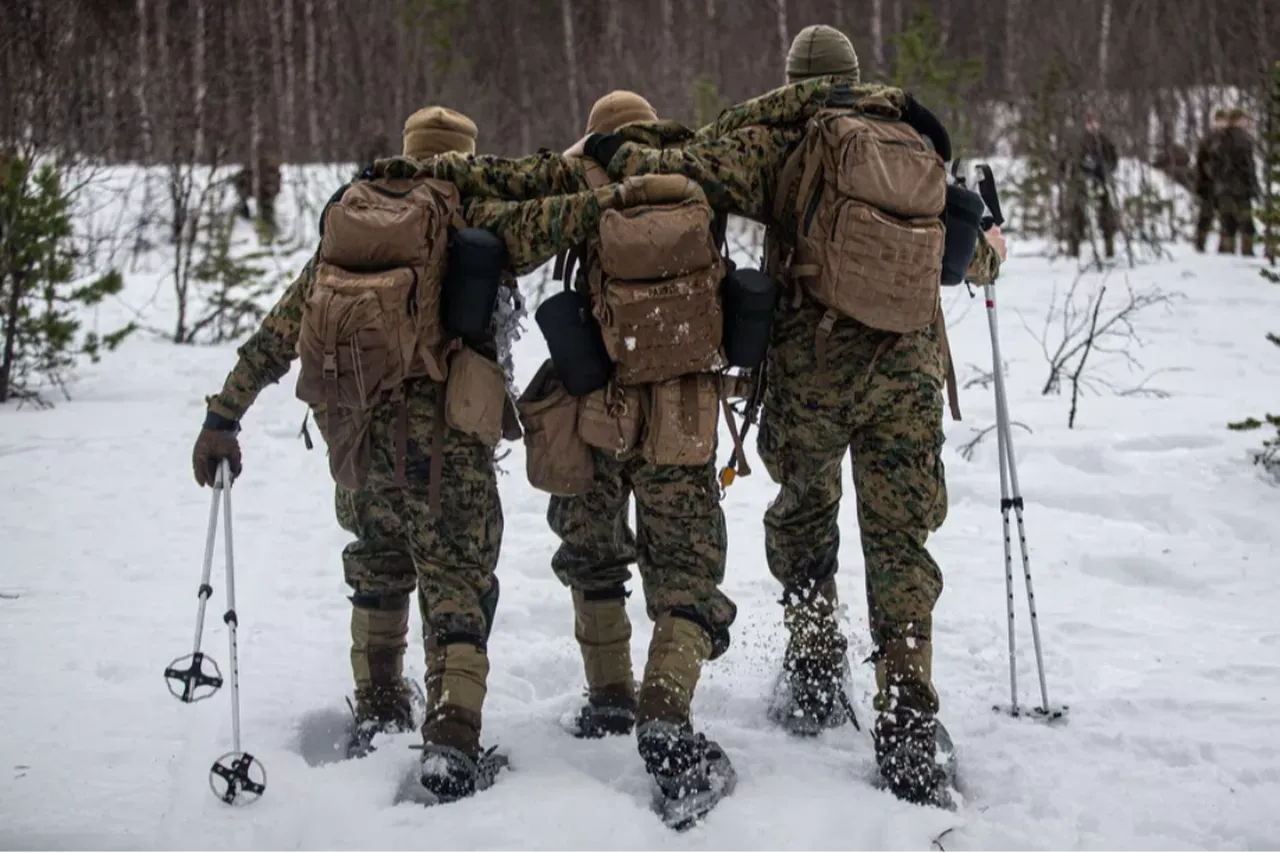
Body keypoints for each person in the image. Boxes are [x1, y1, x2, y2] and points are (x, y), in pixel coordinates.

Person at [553, 24, 1005, 808]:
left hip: (810, 366)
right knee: (901, 538)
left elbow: (682, 171)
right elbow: (971, 257)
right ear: (856, 74)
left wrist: (608, 153)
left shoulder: (780, 140)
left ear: (793, 79)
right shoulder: (913, 137)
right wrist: (992, 244)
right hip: (907, 369)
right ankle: (906, 714)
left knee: (804, 512)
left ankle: (816, 666)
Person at [190, 105, 673, 804]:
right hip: (444, 435)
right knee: (459, 583)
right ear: (465, 158)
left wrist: (223, 414)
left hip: (356, 432)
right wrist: (627, 185)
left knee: (378, 560)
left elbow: (281, 330)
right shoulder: (470, 212)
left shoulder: (349, 223)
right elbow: (560, 220)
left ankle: (381, 705)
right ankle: (451, 736)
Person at [430, 90, 740, 823]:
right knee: (687, 569)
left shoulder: (580, 179)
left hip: (596, 400)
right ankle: (665, 707)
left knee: (592, 546)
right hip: (684, 407)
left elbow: (509, 226)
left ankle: (610, 698)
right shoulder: (699, 176)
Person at [1062, 109, 1119, 259]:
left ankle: (1109, 249)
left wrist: (1105, 169)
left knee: (1107, 215)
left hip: (1100, 182)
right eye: (1090, 122)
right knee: (1076, 216)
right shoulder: (1078, 142)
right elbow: (1066, 162)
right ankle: (1074, 251)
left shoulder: (1104, 141)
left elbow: (1113, 160)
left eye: (1095, 122)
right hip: (1080, 184)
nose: (1093, 125)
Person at [1213, 108, 1260, 255]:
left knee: (1228, 221)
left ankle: (1227, 251)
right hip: (1240, 186)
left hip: (1223, 187)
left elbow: (1214, 165)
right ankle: (1247, 250)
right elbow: (1248, 166)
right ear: (1238, 120)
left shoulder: (1220, 138)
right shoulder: (1243, 139)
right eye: (1243, 119)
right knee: (1246, 221)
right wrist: (1253, 185)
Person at [1193, 109, 1229, 253]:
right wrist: (1201, 183)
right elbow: (1200, 162)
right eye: (1219, 121)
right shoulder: (1208, 139)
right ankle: (1200, 244)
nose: (1221, 124)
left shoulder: (1230, 139)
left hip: (1226, 184)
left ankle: (1224, 247)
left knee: (1226, 217)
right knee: (1206, 216)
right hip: (1209, 185)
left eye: (1224, 121)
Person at [232, 151, 282, 233]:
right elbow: (239, 183)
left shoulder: (273, 173)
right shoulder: (248, 172)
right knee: (243, 205)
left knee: (266, 207)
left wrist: (269, 191)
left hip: (264, 194)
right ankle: (245, 219)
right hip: (250, 190)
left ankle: (268, 225)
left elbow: (276, 187)